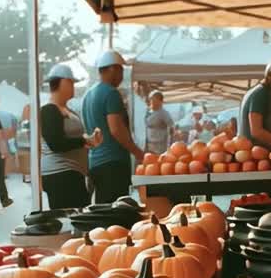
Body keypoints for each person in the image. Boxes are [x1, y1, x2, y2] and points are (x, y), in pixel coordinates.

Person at [83, 51, 143, 203]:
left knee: (102, 208)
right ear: (112, 69)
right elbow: (116, 129)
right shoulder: (111, 93)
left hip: (95, 163)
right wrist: (137, 153)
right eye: (121, 70)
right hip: (113, 164)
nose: (122, 75)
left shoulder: (87, 95)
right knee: (116, 214)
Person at [40, 64, 93, 208]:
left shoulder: (68, 110)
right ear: (61, 82)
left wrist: (90, 141)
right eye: (70, 82)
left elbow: (74, 140)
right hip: (60, 174)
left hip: (73, 173)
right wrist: (84, 140)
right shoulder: (48, 110)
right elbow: (56, 143)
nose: (73, 86)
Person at [144, 90, 174, 154]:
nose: (151, 102)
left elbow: (172, 127)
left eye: (154, 100)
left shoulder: (164, 113)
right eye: (151, 100)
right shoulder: (148, 112)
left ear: (160, 101)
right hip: (148, 144)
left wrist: (171, 144)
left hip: (159, 146)